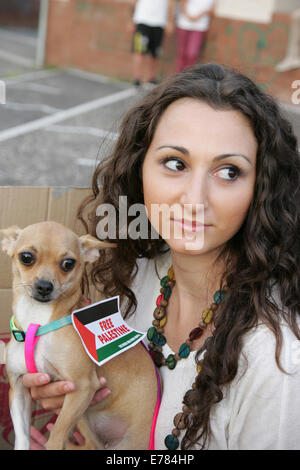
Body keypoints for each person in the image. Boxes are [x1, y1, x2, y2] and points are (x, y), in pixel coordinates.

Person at [23, 63, 300, 450]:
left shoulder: (278, 360)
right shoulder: (133, 278)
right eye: (176, 163)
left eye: (229, 171)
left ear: (262, 188)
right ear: (139, 169)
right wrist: (76, 398)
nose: (194, 199)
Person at [129, 0, 174, 86]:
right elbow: (134, 2)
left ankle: (151, 78)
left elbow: (171, 3)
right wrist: (131, 20)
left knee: (155, 53)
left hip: (159, 22)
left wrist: (170, 22)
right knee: (139, 50)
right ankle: (137, 78)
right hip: (142, 20)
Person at [175, 0, 215, 72]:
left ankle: (188, 77)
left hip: (200, 27)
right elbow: (182, 3)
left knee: (192, 54)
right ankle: (179, 77)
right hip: (184, 24)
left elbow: (212, 11)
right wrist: (189, 16)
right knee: (182, 53)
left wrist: (200, 15)